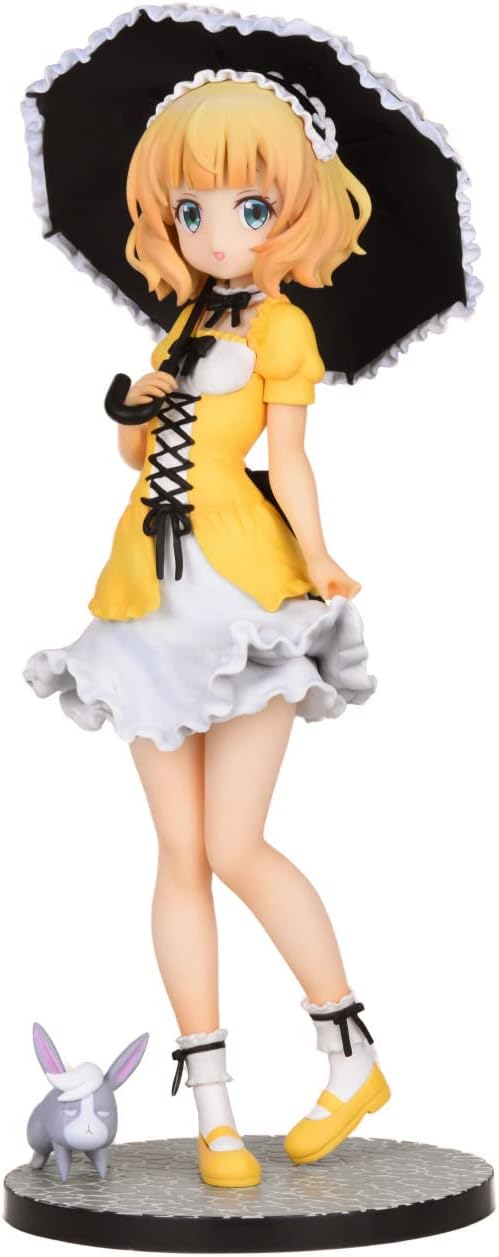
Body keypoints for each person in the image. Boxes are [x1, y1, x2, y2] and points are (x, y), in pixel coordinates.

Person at [24, 73, 390, 1189]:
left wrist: (318, 557)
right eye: (191, 208)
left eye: (250, 206)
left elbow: (289, 456)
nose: (217, 231)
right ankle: (214, 1110)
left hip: (239, 590)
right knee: (177, 853)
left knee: (234, 844)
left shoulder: (283, 325)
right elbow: (141, 457)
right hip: (144, 590)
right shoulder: (183, 322)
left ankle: (350, 1054)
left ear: (296, 211)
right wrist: (138, 411)